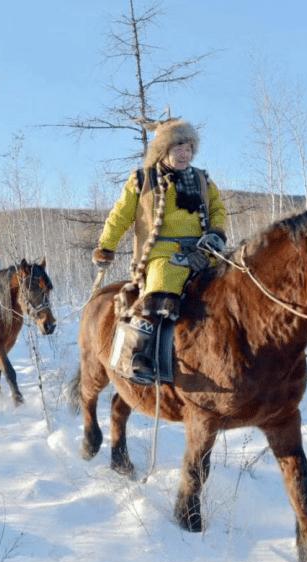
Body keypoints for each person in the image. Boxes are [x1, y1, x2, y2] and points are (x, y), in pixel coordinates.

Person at [92, 118, 228, 383]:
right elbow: (120, 216)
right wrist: (106, 247)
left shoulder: (203, 180)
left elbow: (217, 210)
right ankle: (139, 356)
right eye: (178, 147)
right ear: (163, 150)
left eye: (188, 148)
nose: (184, 153)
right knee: (164, 280)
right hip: (160, 251)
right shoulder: (142, 179)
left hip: (202, 250)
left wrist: (216, 233)